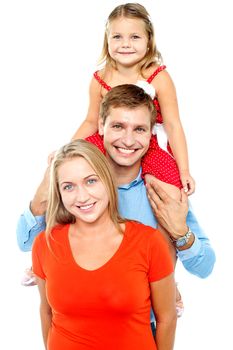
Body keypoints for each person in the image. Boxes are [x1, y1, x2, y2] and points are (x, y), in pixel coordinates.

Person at [17, 85, 216, 327]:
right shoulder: (81, 187)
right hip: (76, 327)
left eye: (139, 129)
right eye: (118, 126)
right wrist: (46, 186)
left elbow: (205, 268)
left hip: (140, 329)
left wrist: (180, 232)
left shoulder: (163, 192)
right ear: (101, 126)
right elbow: (26, 243)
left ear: (151, 133)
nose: (128, 140)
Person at [32, 139, 177, 349]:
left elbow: (167, 318)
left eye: (91, 181)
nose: (82, 196)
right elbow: (46, 313)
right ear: (60, 193)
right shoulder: (45, 244)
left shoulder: (149, 242)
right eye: (68, 186)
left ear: (107, 180)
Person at [71, 3, 195, 197]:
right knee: (78, 162)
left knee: (170, 187)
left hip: (149, 141)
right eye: (117, 37)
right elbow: (91, 121)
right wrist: (69, 149)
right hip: (111, 138)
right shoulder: (100, 80)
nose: (125, 44)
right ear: (107, 41)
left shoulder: (158, 77)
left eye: (135, 37)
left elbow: (172, 124)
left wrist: (185, 170)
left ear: (148, 41)